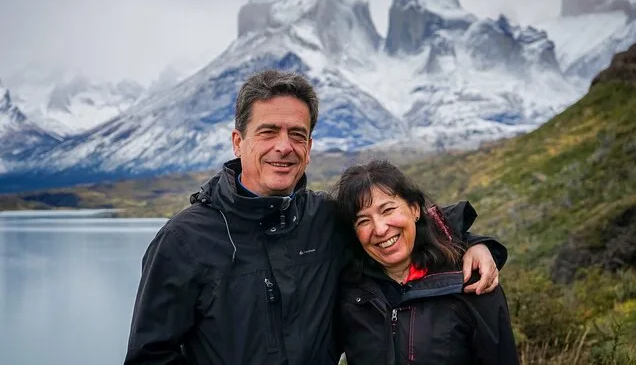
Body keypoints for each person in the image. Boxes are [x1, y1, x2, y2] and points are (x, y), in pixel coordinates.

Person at [124, 69, 507, 365]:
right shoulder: (183, 241)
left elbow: (400, 228)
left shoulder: (326, 218)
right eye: (268, 132)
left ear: (309, 148)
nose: (283, 146)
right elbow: (150, 356)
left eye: (297, 134)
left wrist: (476, 245)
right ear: (238, 142)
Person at [332, 160, 519, 365]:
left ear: (415, 209)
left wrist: (479, 244)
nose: (380, 229)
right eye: (363, 221)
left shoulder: (470, 282)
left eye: (388, 210)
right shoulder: (349, 293)